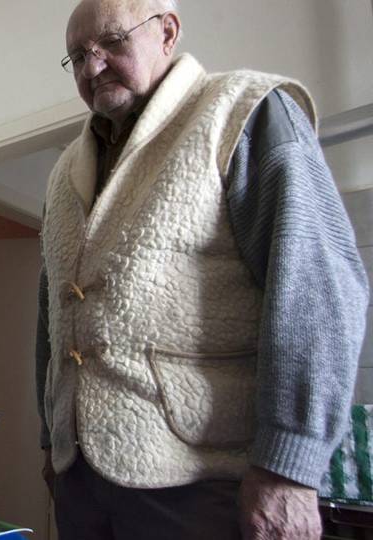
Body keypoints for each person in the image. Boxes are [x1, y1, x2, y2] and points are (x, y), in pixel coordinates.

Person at [35, 1, 369, 538]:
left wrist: (289, 468)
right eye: (77, 56)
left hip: (204, 483)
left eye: (112, 43)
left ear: (167, 32)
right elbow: (53, 316)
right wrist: (51, 439)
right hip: (79, 482)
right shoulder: (63, 172)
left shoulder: (245, 111)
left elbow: (318, 291)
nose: (92, 67)